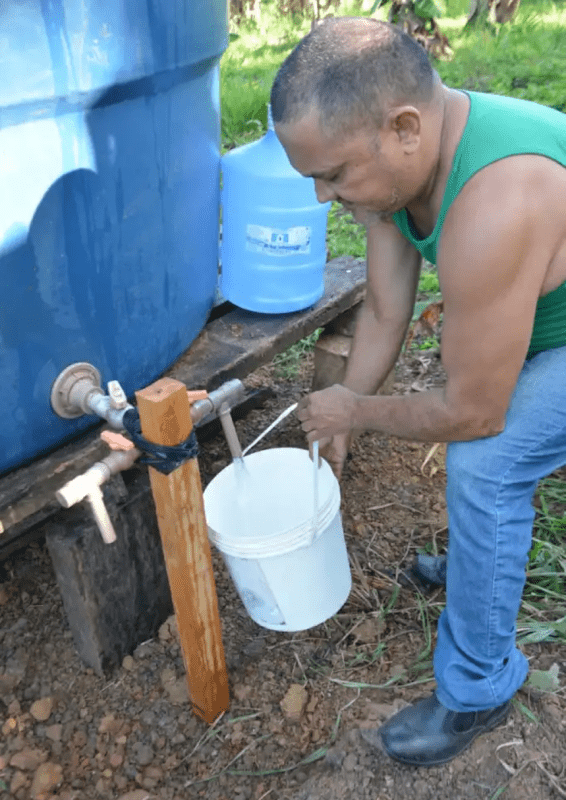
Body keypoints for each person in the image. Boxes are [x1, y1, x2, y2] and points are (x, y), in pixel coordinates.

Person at [270, 17, 566, 767]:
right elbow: (383, 310)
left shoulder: (498, 201)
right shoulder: (403, 169)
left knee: (487, 464)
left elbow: (474, 412)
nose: (322, 196)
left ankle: (478, 688)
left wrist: (356, 410)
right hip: (547, 320)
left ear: (403, 127)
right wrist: (345, 414)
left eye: (333, 175)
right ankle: (478, 572)